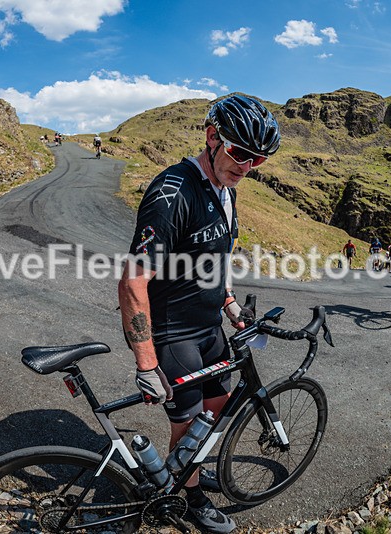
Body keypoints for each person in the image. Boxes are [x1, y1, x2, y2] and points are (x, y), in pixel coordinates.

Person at [118, 95, 280, 534]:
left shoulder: (227, 189)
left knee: (215, 410)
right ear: (212, 137)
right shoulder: (171, 192)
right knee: (188, 424)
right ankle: (187, 498)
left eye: (258, 159)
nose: (248, 166)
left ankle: (186, 472)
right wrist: (146, 364)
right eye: (240, 153)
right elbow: (132, 283)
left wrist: (229, 305)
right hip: (175, 335)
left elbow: (215, 260)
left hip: (209, 328)